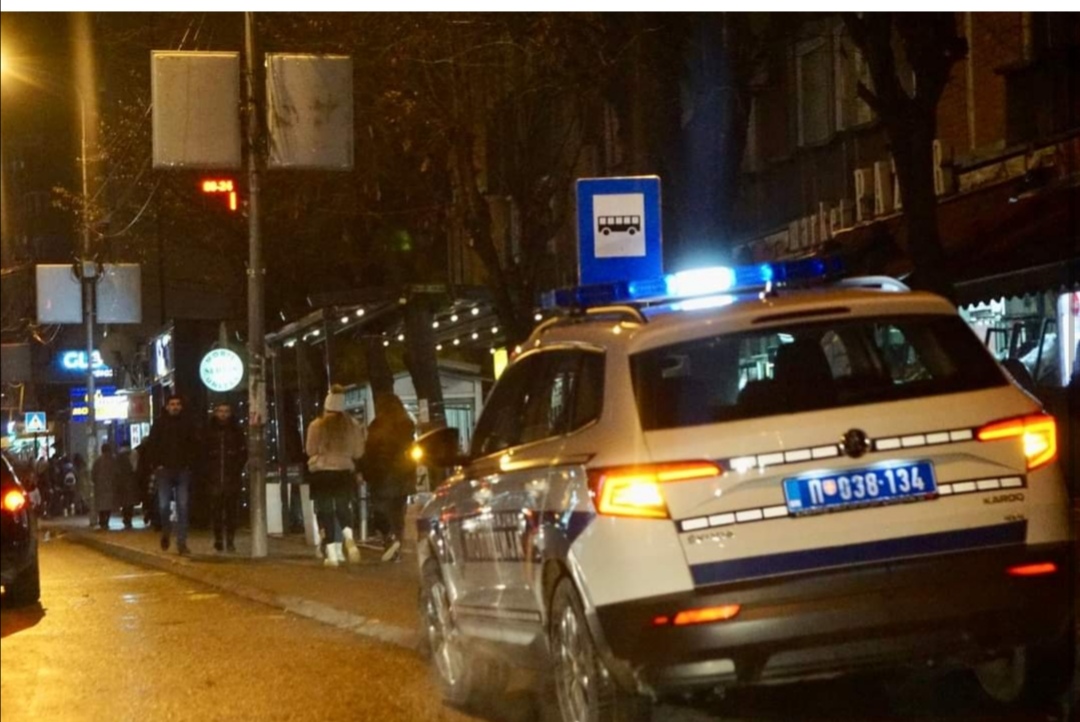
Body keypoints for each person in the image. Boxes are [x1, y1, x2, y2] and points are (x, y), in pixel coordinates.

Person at [305, 385, 365, 567]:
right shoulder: (353, 425)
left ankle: (332, 555)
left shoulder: (317, 425)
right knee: (342, 507)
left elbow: (310, 450)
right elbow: (358, 452)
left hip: (322, 473)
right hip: (344, 472)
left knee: (326, 511)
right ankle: (348, 537)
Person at [359, 392, 416, 563]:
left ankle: (389, 539)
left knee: (381, 511)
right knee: (398, 514)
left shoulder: (377, 425)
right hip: (403, 475)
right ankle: (397, 544)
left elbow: (369, 452)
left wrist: (364, 472)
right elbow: (411, 450)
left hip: (382, 475)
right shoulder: (407, 425)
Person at [142, 393, 201, 556]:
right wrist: (156, 464)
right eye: (172, 404)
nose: (175, 407)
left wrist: (190, 464)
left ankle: (182, 542)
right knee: (163, 505)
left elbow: (194, 445)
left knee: (183, 506)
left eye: (177, 404)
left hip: (183, 470)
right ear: (167, 406)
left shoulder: (188, 423)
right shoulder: (159, 424)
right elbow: (152, 445)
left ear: (181, 406)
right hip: (164, 471)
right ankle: (166, 531)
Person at [205, 402, 247, 553]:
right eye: (220, 411)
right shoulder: (209, 431)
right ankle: (218, 538)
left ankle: (230, 540)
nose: (223, 414)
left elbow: (243, 452)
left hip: (231, 476)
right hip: (214, 476)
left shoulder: (236, 431)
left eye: (226, 411)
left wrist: (237, 467)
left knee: (231, 510)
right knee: (216, 510)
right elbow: (203, 452)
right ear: (215, 413)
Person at [90, 443, 139, 530]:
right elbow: (117, 472)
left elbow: (93, 474)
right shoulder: (113, 460)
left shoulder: (98, 461)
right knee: (108, 505)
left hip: (100, 487)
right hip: (111, 486)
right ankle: (106, 522)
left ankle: (103, 522)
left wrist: (96, 482)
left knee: (102, 506)